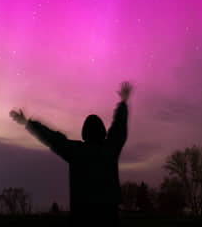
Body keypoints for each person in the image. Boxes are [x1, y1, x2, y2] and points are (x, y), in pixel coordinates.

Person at [10, 81, 131, 226]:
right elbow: (119, 128)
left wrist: (28, 123)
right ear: (103, 132)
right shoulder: (109, 149)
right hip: (109, 215)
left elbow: (52, 138)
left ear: (85, 133)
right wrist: (123, 102)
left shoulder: (76, 151)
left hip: (81, 216)